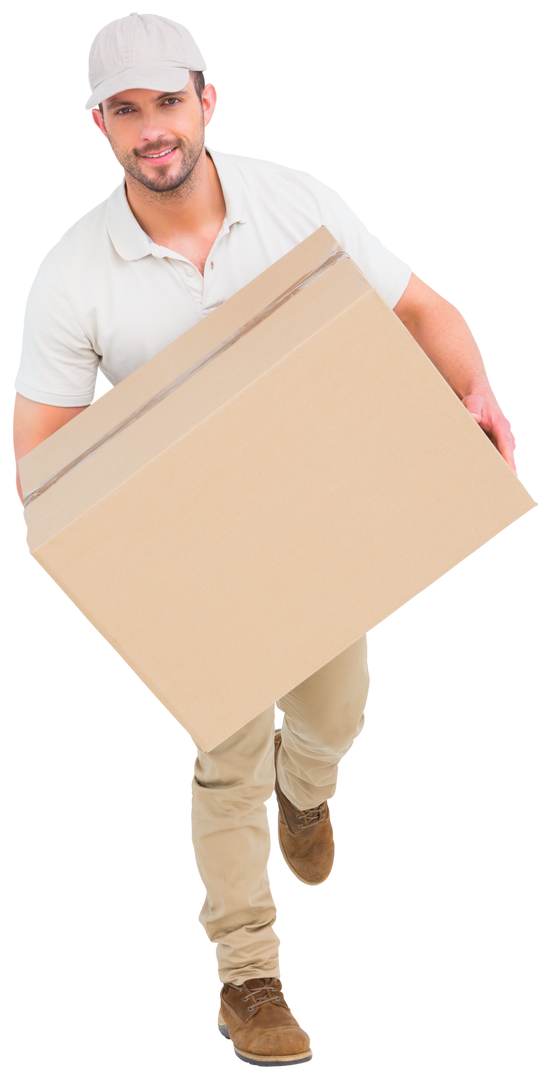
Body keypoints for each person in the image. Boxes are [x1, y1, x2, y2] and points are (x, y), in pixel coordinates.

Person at [10, 12, 521, 1071]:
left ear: (207, 100)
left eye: (167, 102)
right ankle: (247, 973)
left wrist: (472, 391)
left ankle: (313, 784)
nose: (151, 129)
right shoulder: (72, 272)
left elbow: (423, 308)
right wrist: (114, 544)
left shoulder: (293, 197)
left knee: (337, 708)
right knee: (225, 753)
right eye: (124, 110)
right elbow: (41, 456)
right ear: (96, 125)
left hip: (319, 513)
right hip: (191, 547)